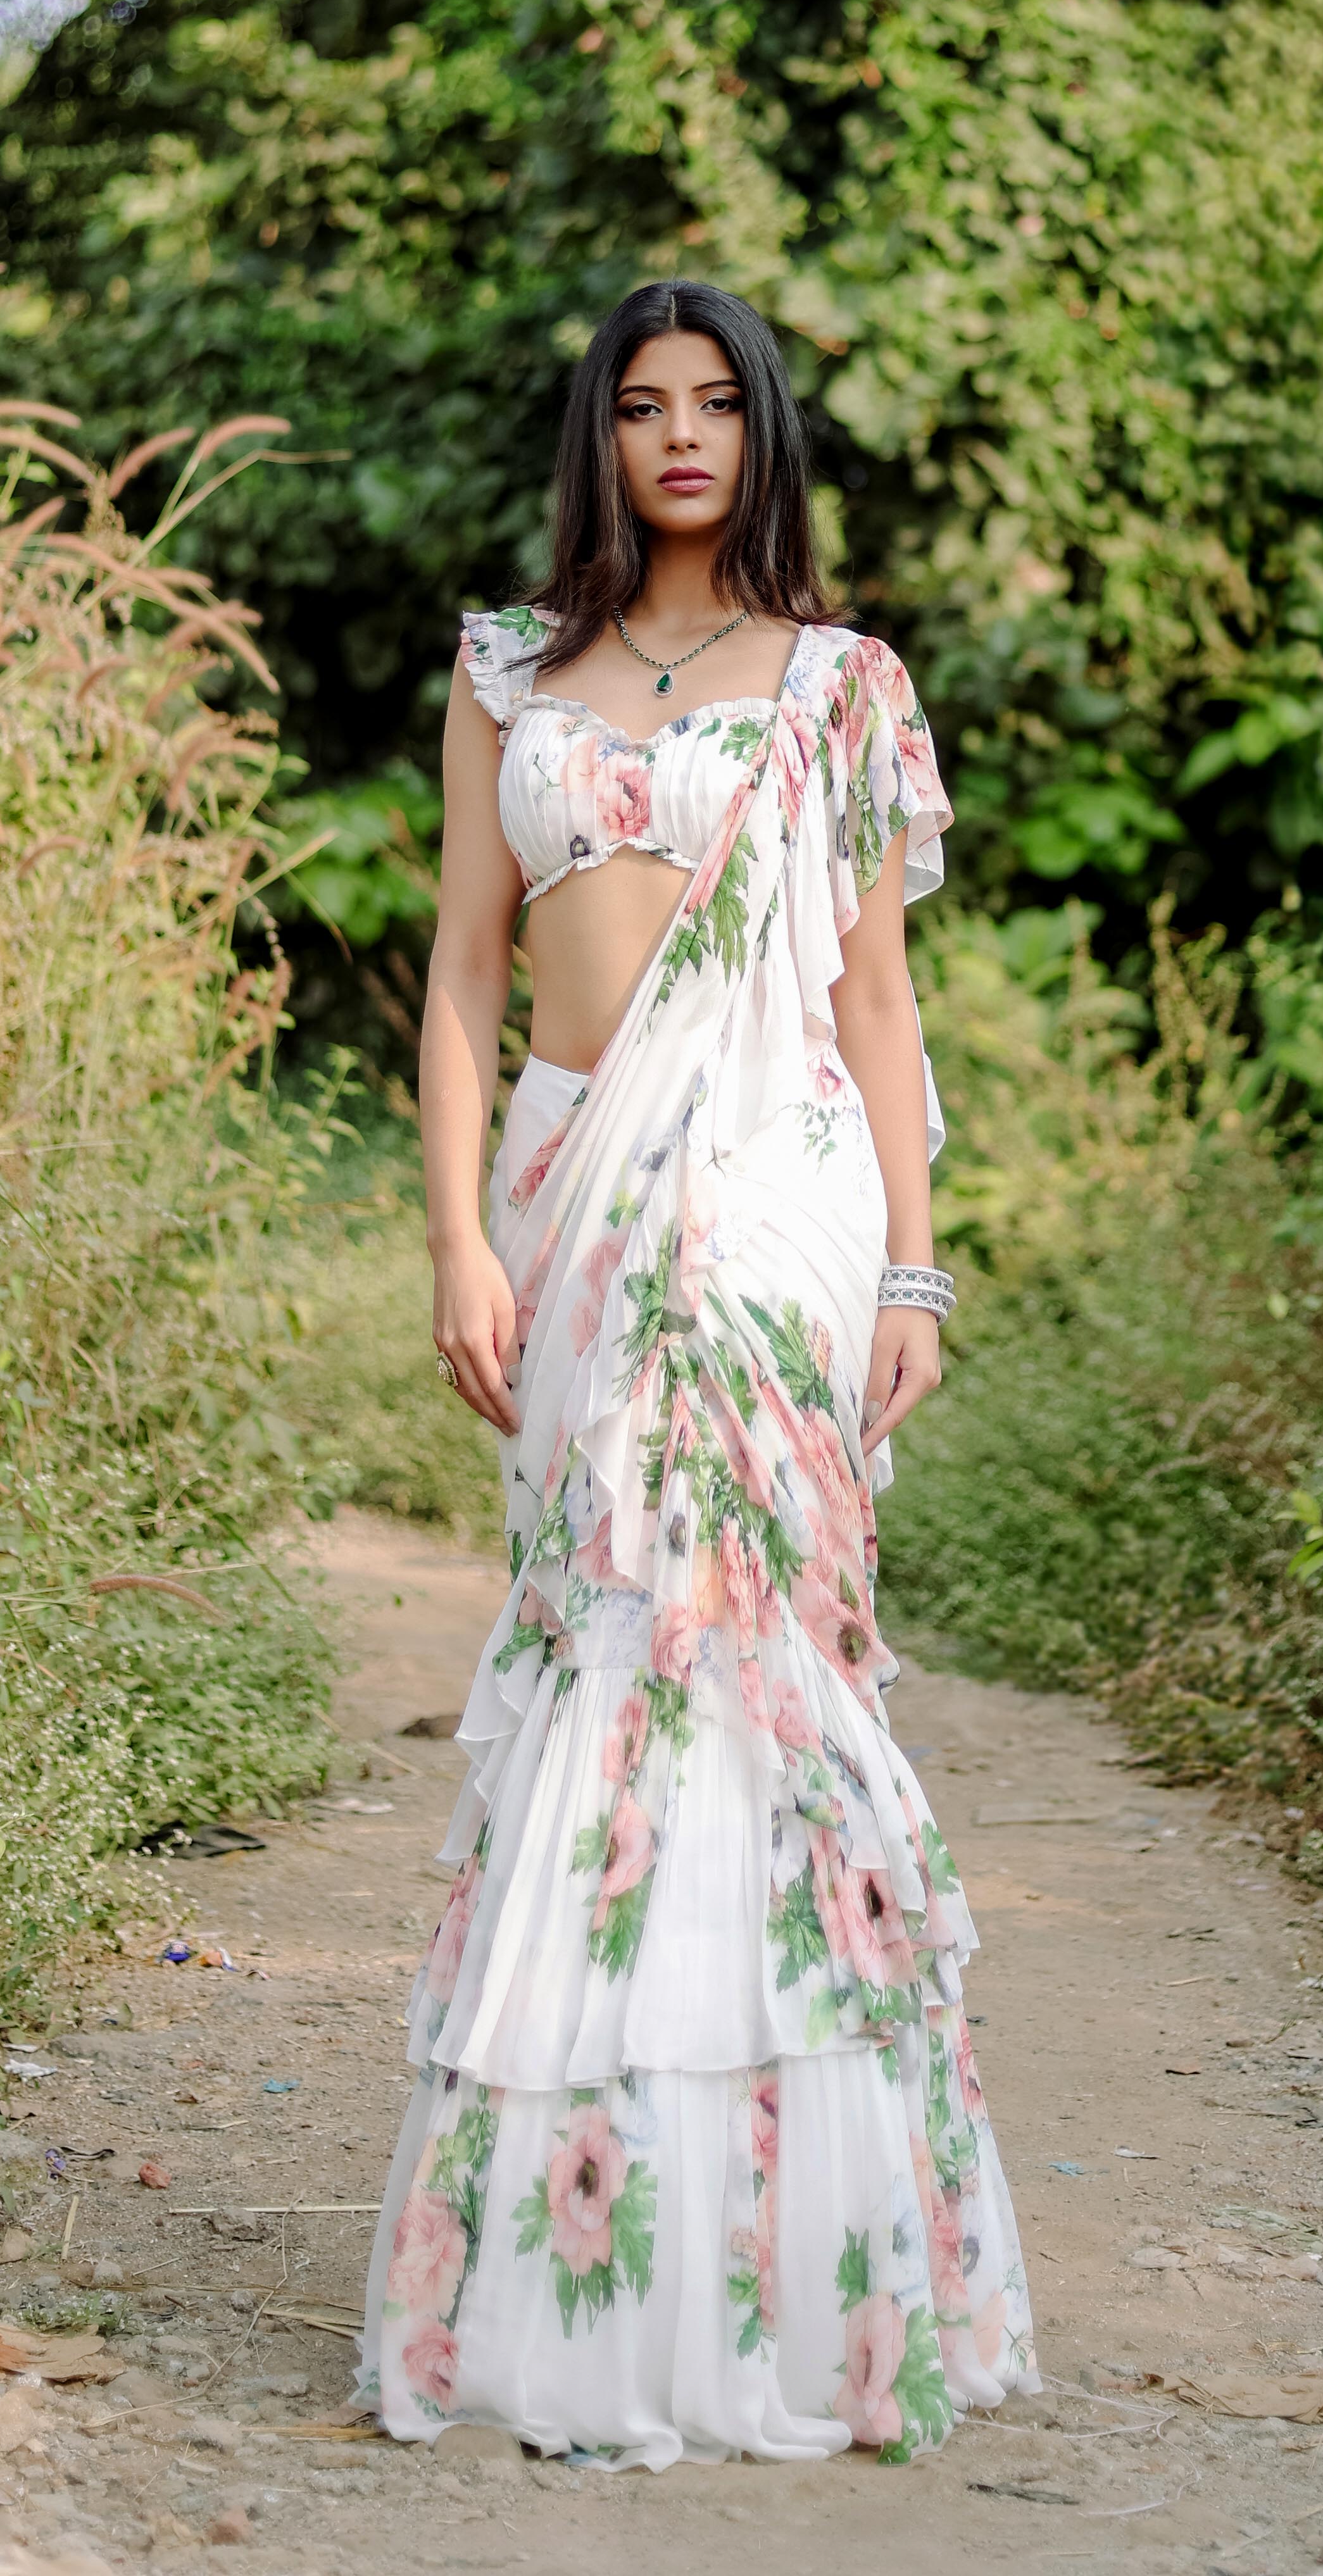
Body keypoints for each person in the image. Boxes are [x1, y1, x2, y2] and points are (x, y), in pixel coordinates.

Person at [354, 279, 1041, 2469]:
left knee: (738, 1633)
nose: (676, 436)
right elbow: (464, 982)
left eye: (713, 403)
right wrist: (458, 1232)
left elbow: (876, 1012)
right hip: (569, 1189)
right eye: (640, 406)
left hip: (768, 1196)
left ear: (761, 436)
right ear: (600, 438)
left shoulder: (840, 688)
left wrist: (915, 1277)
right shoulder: (505, 675)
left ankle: (807, 2263)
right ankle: (588, 2269)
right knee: (602, 1641)